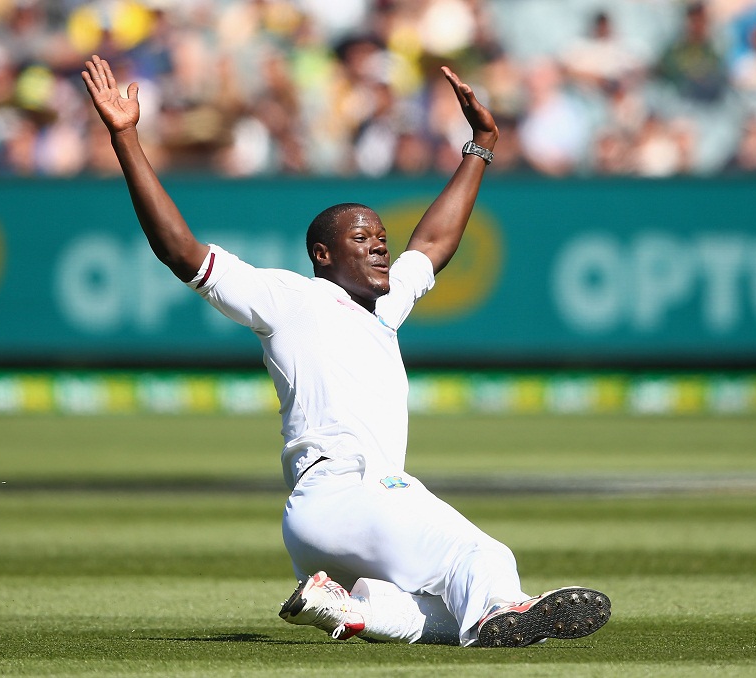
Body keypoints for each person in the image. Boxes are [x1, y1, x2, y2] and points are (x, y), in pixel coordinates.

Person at [81, 54, 611, 647]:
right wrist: (126, 136)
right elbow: (181, 251)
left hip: (321, 528)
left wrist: (481, 144)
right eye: (363, 239)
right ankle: (505, 607)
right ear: (324, 255)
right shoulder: (292, 299)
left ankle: (349, 609)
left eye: (382, 239)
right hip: (353, 491)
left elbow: (433, 241)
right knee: (484, 558)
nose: (381, 249)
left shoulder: (384, 308)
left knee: (434, 612)